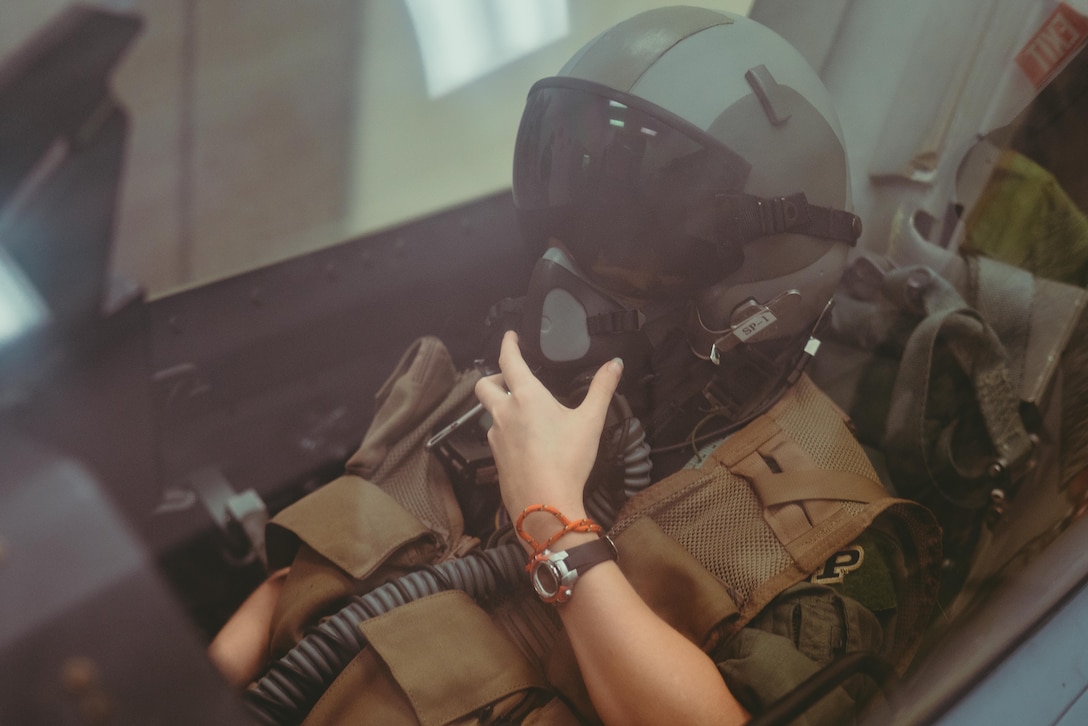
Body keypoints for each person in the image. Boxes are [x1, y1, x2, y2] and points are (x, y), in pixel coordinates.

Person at [215, 7, 945, 725]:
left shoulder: (834, 546)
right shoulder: (507, 399)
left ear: (754, 286)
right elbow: (318, 582)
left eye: (633, 253)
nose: (570, 275)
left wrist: (555, 526)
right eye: (578, 229)